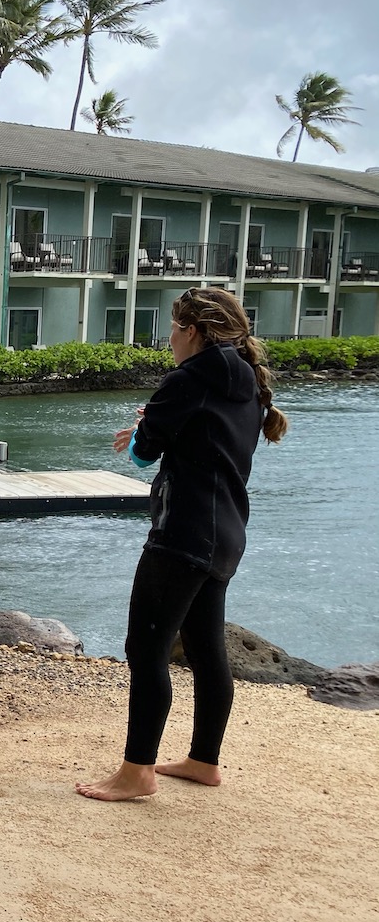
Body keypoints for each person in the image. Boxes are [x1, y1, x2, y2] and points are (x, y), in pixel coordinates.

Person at [77, 287, 288, 801]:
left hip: (183, 533)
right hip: (226, 533)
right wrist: (154, 426)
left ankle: (137, 772)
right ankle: (203, 760)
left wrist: (140, 431)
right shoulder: (246, 382)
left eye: (173, 327)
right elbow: (204, 442)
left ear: (191, 330)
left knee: (145, 647)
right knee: (205, 648)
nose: (168, 338)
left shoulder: (188, 378)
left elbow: (145, 454)